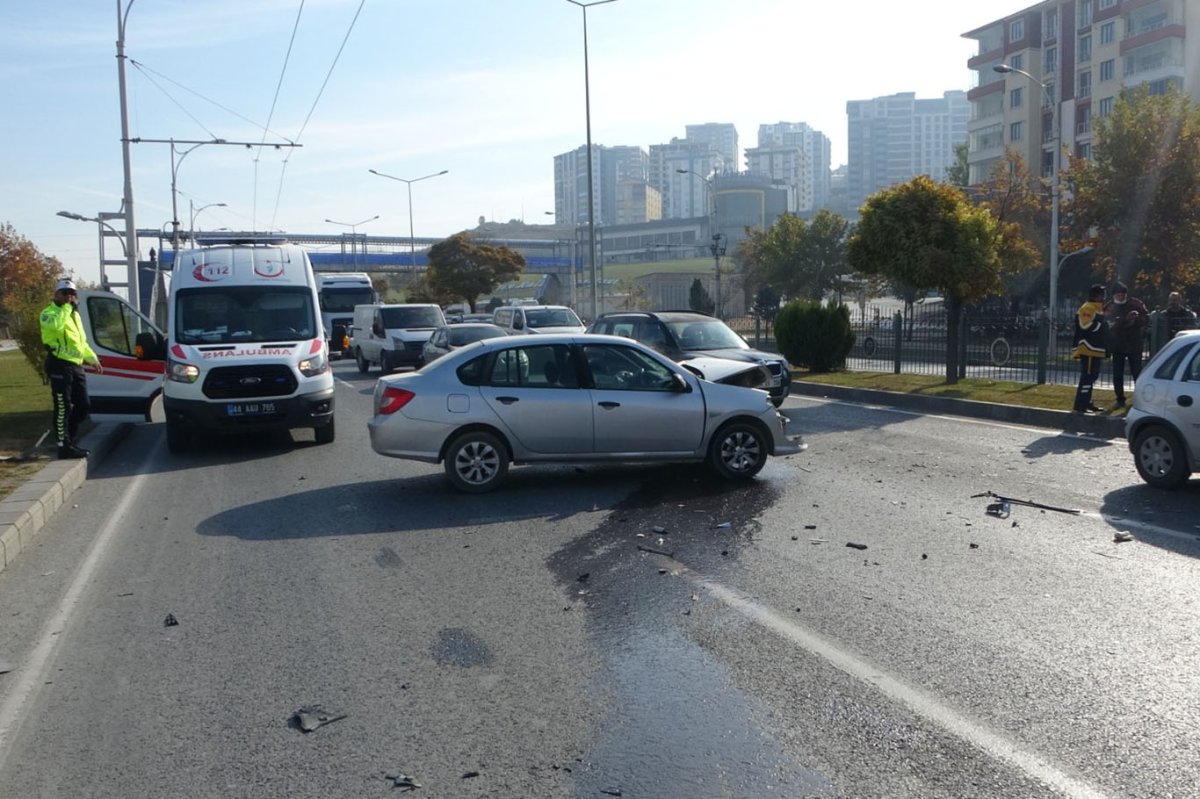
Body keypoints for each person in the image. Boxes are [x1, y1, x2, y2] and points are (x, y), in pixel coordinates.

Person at [40, 279, 103, 459]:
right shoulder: (49, 313)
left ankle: (69, 438)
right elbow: (56, 327)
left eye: (72, 293)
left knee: (83, 405)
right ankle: (63, 445)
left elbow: (80, 342)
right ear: (56, 295)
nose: (69, 296)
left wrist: (92, 359)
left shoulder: (75, 316)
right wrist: (67, 308)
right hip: (59, 363)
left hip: (75, 365)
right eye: (65, 293)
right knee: (62, 406)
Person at [1103, 281, 1148, 407]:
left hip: (1134, 344)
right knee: (1117, 374)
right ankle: (1120, 399)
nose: (1121, 297)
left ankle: (1140, 399)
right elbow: (1108, 325)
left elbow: (1146, 318)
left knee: (1137, 373)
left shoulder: (1136, 304)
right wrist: (1125, 320)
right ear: (1113, 295)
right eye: (1118, 294)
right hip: (1117, 345)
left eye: (1123, 294)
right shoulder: (1109, 307)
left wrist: (1137, 320)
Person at [1072, 284, 1109, 414]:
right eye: (1102, 295)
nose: (1104, 297)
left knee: (1092, 376)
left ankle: (1087, 402)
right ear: (1096, 296)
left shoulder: (1098, 309)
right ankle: (1080, 404)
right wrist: (1100, 322)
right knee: (1087, 377)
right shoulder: (1087, 308)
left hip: (1096, 349)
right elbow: (1085, 325)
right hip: (1088, 348)